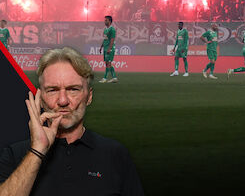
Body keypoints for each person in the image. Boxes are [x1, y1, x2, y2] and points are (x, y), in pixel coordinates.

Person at [0, 47, 144, 195]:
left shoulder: (115, 154)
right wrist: (37, 151)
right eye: (52, 90)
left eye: (73, 89)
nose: (63, 101)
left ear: (89, 96)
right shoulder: (13, 155)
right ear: (41, 98)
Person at [98, 15, 117, 83]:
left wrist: (110, 48)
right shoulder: (105, 29)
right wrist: (101, 47)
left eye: (106, 20)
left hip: (110, 48)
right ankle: (114, 78)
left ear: (109, 21)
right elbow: (105, 39)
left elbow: (112, 40)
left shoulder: (112, 29)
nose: (104, 21)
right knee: (107, 64)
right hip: (105, 48)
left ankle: (105, 78)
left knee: (108, 63)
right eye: (104, 20)